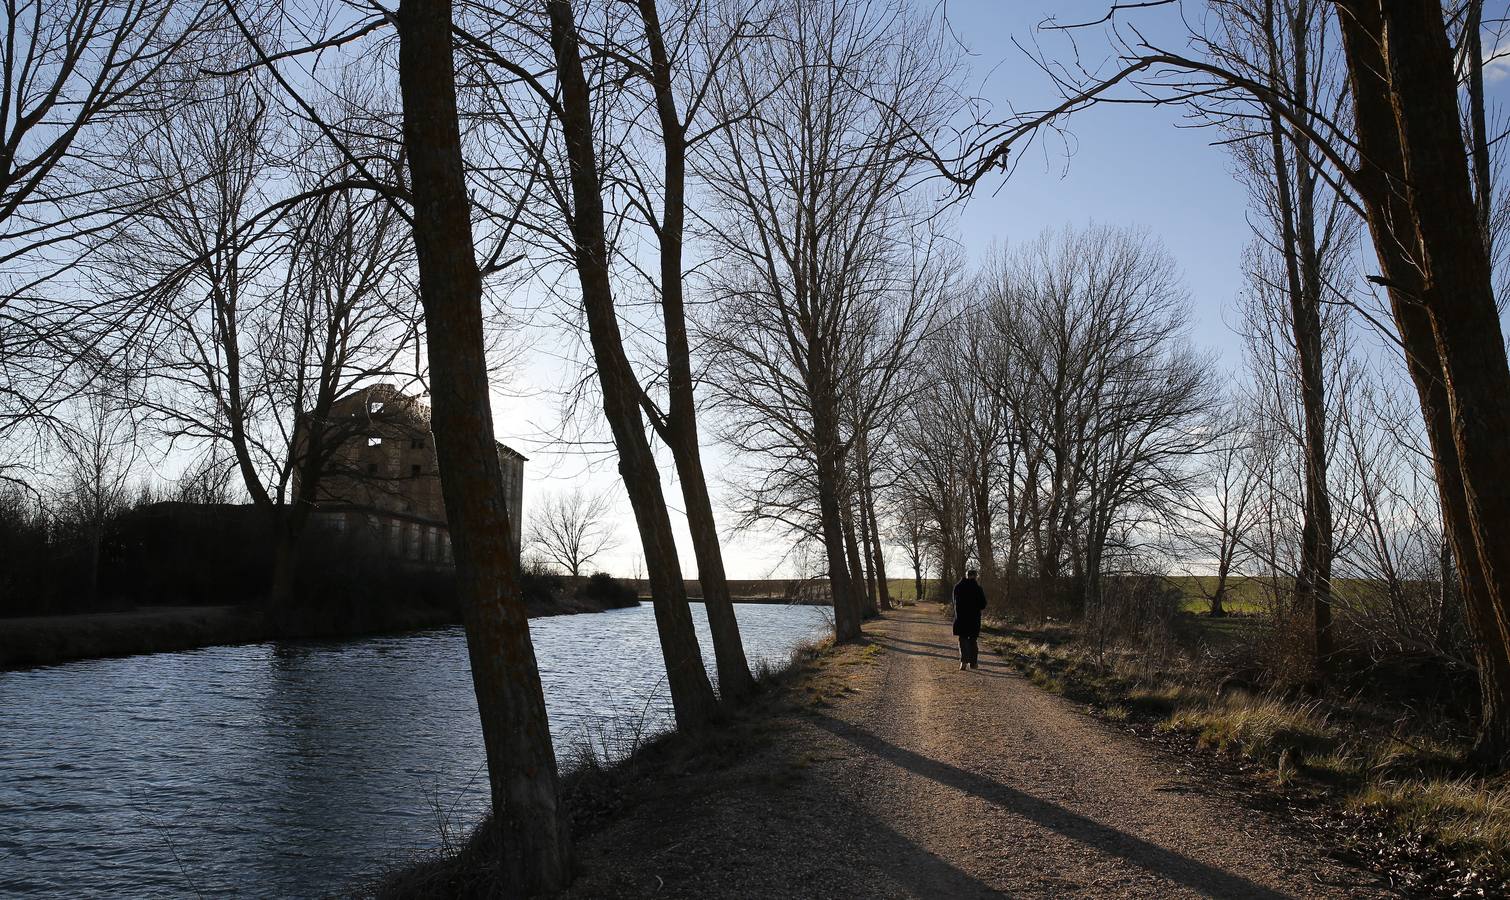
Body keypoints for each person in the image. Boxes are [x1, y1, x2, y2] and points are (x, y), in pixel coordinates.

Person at [952, 568, 986, 670]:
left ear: (966, 576)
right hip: (974, 619)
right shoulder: (978, 588)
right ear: (975, 576)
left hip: (961, 618)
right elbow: (983, 604)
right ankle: (973, 663)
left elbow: (954, 602)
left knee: (962, 639)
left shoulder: (958, 587)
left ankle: (963, 662)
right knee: (973, 641)